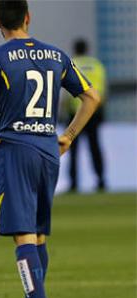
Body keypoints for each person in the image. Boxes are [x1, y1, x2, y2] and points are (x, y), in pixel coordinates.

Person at [0, 0, 100, 298]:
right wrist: (68, 135)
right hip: (48, 149)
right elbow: (91, 97)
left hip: (16, 149)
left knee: (23, 234)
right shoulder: (56, 55)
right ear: (28, 17)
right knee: (39, 235)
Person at [66, 38, 107, 192]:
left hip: (76, 113)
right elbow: (103, 91)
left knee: (73, 149)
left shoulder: (71, 63)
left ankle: (73, 183)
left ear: (75, 49)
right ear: (87, 49)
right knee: (95, 147)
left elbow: (65, 93)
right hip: (94, 113)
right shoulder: (97, 65)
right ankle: (101, 180)